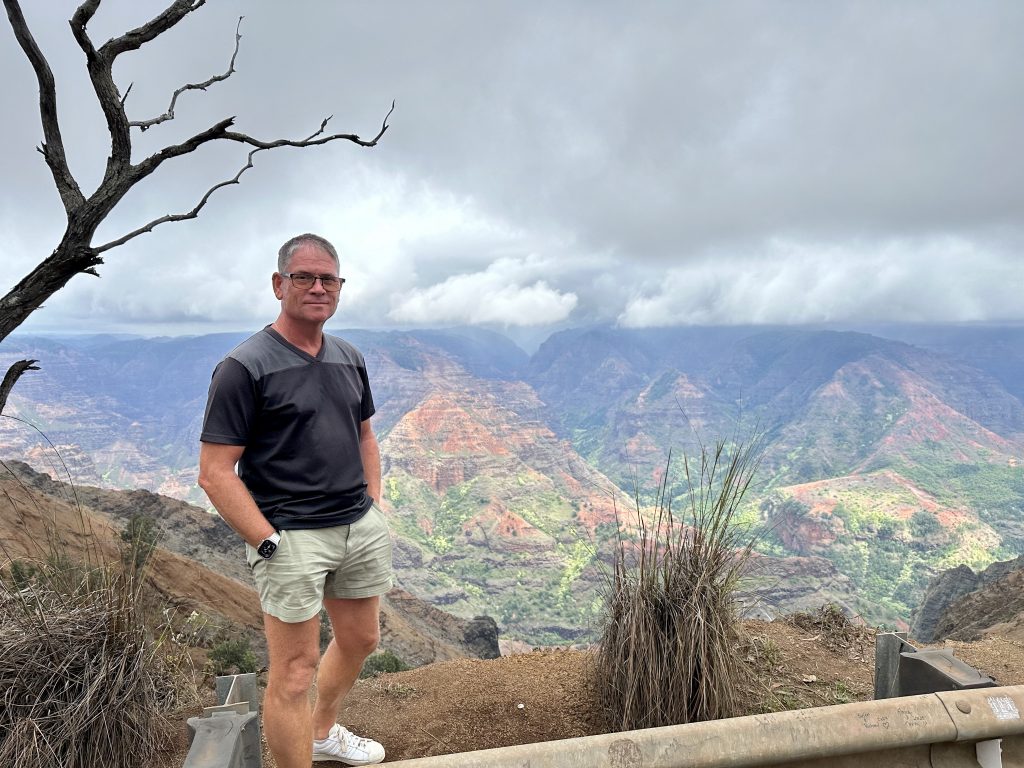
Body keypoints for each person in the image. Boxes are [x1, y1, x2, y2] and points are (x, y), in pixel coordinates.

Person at [198, 233, 390, 767]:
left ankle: (322, 732)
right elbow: (215, 473)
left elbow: (364, 435)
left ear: (340, 287)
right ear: (279, 284)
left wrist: (373, 504)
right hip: (291, 536)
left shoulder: (348, 357)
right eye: (304, 277)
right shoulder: (244, 366)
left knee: (361, 639)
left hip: (356, 525)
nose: (317, 287)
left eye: (328, 278)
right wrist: (266, 542)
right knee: (294, 672)